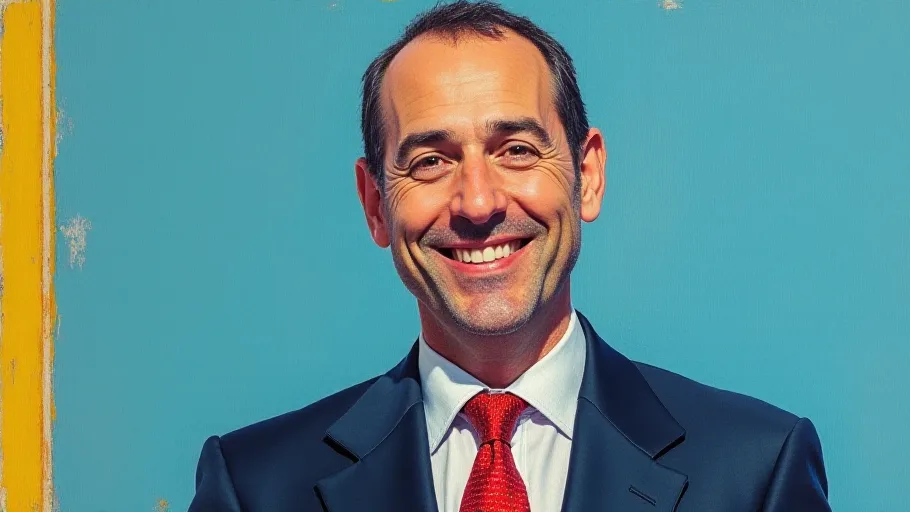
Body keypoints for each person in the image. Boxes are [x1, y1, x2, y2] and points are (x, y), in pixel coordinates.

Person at [187, 1, 830, 510]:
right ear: (375, 203)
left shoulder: (754, 473)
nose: (476, 201)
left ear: (588, 175)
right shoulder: (256, 487)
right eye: (431, 161)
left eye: (516, 149)